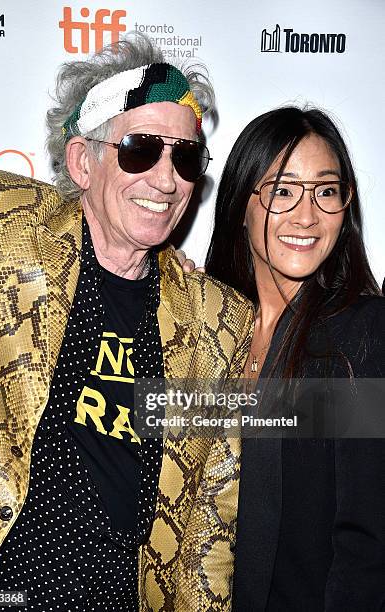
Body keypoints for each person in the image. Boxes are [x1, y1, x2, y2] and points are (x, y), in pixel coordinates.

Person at [0, 35, 253, 611]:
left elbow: (207, 531)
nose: (167, 180)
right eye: (141, 150)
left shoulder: (215, 324)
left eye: (186, 158)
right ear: (81, 161)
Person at [205, 107, 385, 611]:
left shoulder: (363, 333)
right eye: (282, 191)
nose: (306, 216)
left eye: (326, 192)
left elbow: (367, 541)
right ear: (242, 204)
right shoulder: (209, 329)